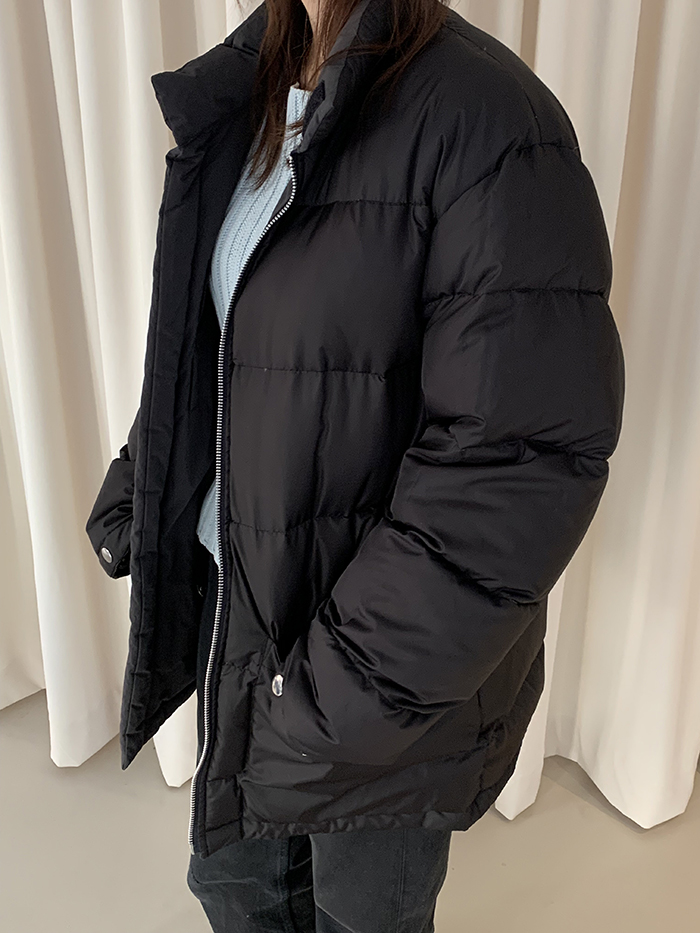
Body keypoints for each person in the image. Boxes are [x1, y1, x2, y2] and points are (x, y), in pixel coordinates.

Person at [85, 0, 625, 929]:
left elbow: (515, 461)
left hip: (379, 680)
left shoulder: (494, 122)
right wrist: (145, 474)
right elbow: (221, 338)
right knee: (237, 892)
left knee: (361, 916)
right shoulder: (257, 86)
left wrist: (342, 691)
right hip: (244, 614)